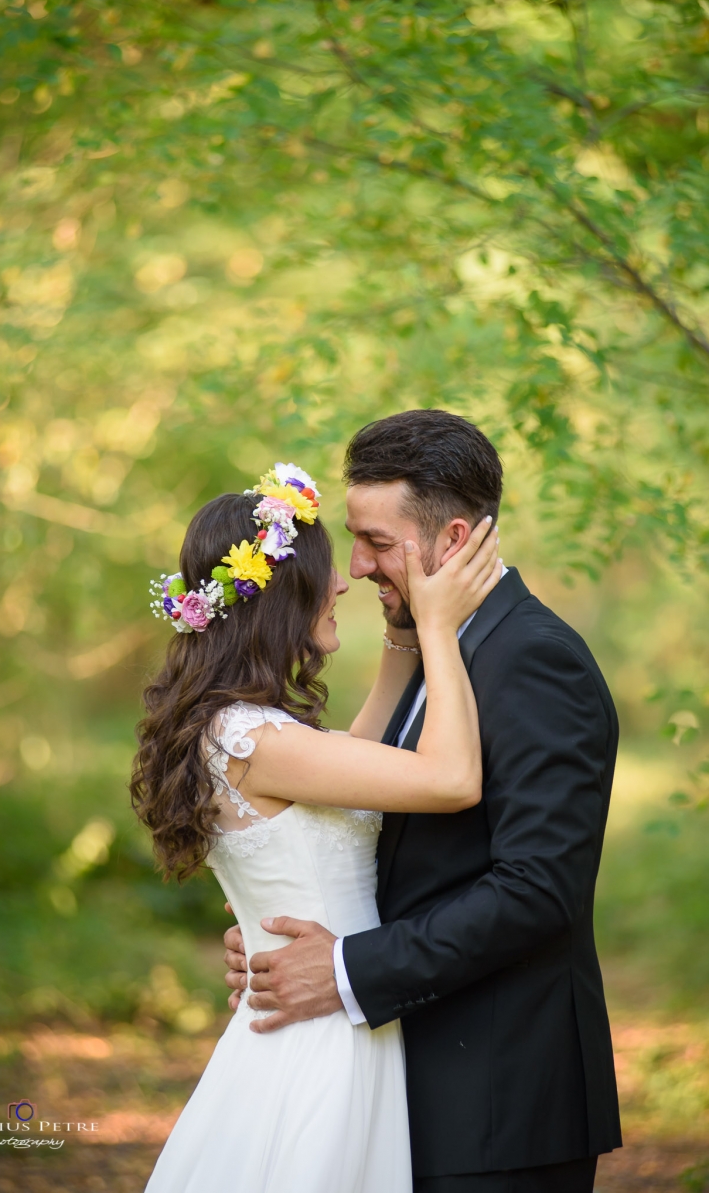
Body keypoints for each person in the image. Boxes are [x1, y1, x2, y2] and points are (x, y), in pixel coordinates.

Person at [223, 411, 623, 1193]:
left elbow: (538, 891)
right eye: (354, 539)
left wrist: (340, 969)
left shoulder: (533, 661)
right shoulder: (431, 650)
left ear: (453, 540)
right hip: (408, 1085)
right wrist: (280, 920)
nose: (358, 567)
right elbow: (392, 841)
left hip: (499, 1102)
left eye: (377, 543)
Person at [131, 459, 502, 1193]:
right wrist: (437, 626)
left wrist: (400, 632)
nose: (343, 584)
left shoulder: (244, 730)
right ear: (281, 596)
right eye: (326, 573)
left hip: (326, 1012)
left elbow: (353, 765)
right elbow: (452, 779)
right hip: (319, 1038)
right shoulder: (251, 739)